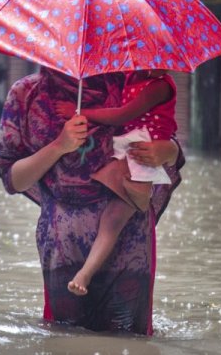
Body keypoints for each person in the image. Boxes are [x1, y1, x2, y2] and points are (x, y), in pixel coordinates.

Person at [0, 67, 185, 335]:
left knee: (128, 340)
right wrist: (59, 145)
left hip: (129, 238)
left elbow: (158, 134)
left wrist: (168, 150)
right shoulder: (26, 94)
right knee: (66, 338)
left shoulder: (126, 82)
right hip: (62, 242)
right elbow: (14, 180)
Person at [55, 69, 177, 296]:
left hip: (144, 151)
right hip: (125, 146)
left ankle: (85, 273)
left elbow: (123, 115)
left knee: (113, 219)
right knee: (108, 216)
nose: (159, 65)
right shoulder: (130, 77)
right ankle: (85, 272)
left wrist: (80, 112)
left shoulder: (160, 86)